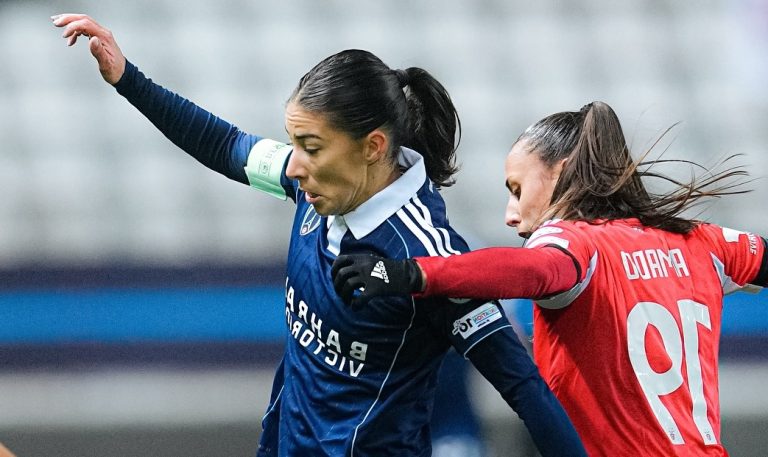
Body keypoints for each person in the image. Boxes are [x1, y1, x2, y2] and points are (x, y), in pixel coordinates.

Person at [51, 14, 586, 457]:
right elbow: (225, 144)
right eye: (294, 143)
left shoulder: (430, 258)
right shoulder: (315, 189)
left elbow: (526, 390)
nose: (296, 165)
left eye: (311, 145)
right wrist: (127, 78)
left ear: (372, 147)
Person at [332, 101, 768, 456]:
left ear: (559, 174)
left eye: (517, 189)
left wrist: (412, 272)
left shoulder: (575, 242)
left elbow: (536, 271)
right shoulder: (701, 243)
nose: (511, 214)